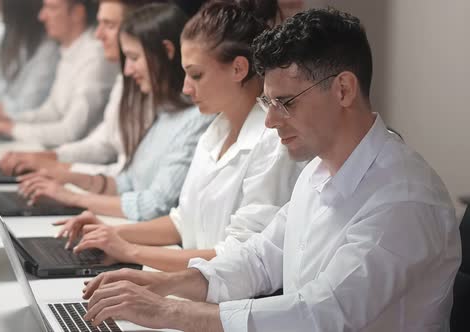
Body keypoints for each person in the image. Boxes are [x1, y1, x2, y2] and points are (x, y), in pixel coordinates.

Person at [79, 8, 461, 331]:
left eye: (286, 102)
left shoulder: (405, 199)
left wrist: (167, 311)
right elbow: (261, 257)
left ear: (343, 90)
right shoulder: (319, 170)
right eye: (267, 101)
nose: (270, 120)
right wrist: (163, 283)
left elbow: (321, 312)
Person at [50, 1, 304, 273]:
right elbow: (182, 221)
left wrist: (131, 250)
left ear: (238, 69)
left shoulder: (272, 143)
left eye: (196, 74)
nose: (185, 86)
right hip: (194, 287)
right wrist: (113, 232)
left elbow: (241, 258)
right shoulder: (215, 131)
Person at [16, 3, 214, 221]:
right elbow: (127, 181)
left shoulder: (196, 119)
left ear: (167, 51)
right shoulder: (166, 112)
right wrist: (68, 176)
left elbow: (155, 205)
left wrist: (72, 196)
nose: (128, 70)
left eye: (134, 58)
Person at [0, 0, 148, 177]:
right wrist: (48, 157)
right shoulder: (122, 79)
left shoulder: (98, 58)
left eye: (110, 25)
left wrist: (7, 128)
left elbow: (72, 133)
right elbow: (102, 142)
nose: (98, 35)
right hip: (100, 176)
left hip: (105, 179)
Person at [0, 0, 119, 147]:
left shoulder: (96, 57)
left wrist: (4, 127)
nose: (42, 16)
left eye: (51, 8)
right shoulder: (72, 48)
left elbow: (69, 132)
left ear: (77, 13)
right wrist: (5, 121)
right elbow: (52, 112)